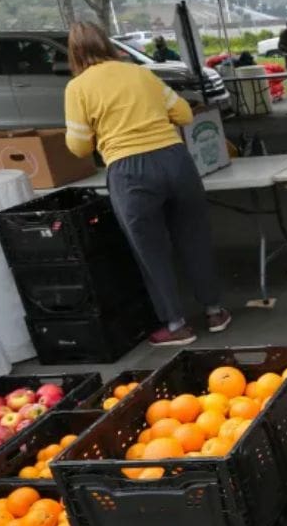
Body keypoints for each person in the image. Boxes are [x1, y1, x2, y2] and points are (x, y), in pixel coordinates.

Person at [63, 21, 230, 346]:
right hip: (175, 160)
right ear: (108, 44)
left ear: (75, 53)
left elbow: (80, 146)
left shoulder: (77, 88)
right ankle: (215, 310)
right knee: (194, 238)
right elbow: (183, 114)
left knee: (151, 251)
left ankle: (176, 324)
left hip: (128, 171)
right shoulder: (140, 73)